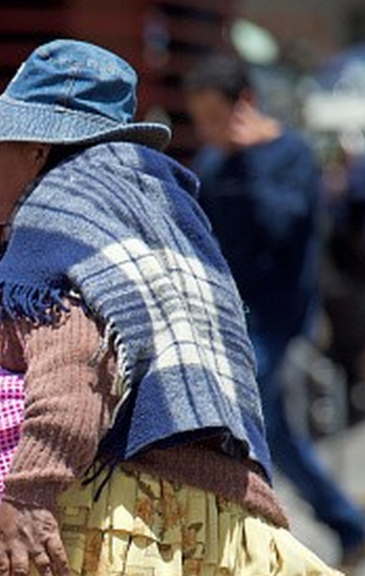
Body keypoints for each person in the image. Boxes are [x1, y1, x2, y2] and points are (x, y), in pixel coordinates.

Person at [0, 39, 339, 576]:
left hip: (138, 517)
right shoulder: (155, 211)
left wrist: (29, 497)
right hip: (218, 514)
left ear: (38, 150)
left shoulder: (66, 217)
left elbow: (77, 368)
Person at [184, 52, 365, 573]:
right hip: (227, 319)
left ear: (245, 103)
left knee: (237, 416)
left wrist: (250, 161)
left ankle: (248, 537)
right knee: (277, 435)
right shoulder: (212, 165)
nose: (209, 131)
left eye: (216, 117)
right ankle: (347, 525)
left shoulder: (292, 155)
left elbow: (286, 227)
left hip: (277, 319)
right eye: (200, 120)